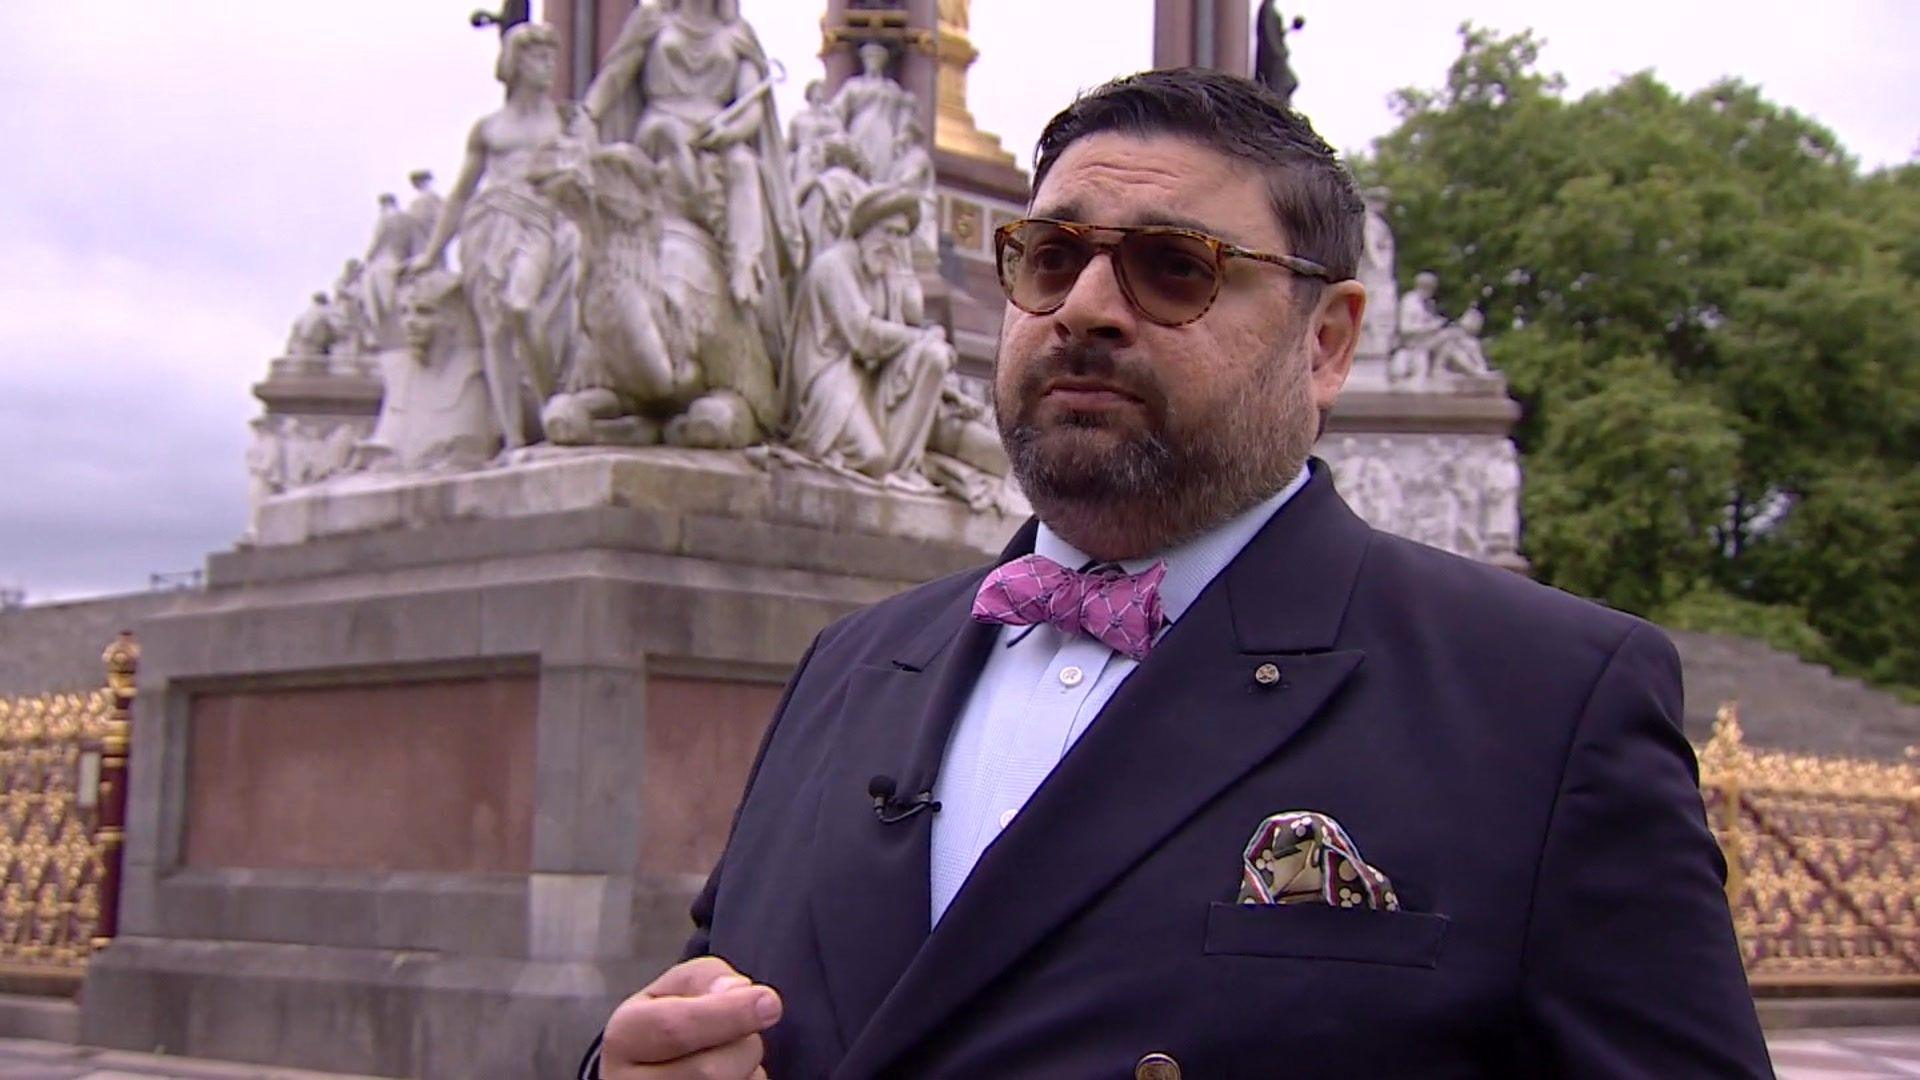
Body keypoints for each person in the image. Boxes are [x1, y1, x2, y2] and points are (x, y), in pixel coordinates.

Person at [580, 68, 1771, 1079]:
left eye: (1174, 267)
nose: (1087, 307)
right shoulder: (851, 665)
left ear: (1329, 340)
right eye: (1050, 257)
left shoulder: (1545, 699)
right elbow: (715, 1000)